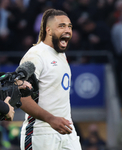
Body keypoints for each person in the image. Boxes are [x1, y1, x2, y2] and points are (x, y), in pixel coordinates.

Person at [19, 9, 82, 150]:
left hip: (67, 131)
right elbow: (21, 98)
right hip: (41, 133)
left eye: (69, 26)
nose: (67, 30)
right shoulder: (35, 55)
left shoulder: (61, 54)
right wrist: (51, 119)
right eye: (62, 26)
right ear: (49, 31)